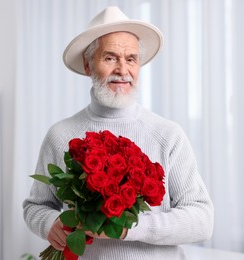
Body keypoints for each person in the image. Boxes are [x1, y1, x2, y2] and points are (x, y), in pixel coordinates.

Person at [23, 6, 214, 259]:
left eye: (131, 59)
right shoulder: (60, 134)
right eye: (110, 58)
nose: (122, 70)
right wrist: (49, 224)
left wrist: (127, 228)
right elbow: (36, 206)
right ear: (88, 65)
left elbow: (202, 220)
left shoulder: (168, 135)